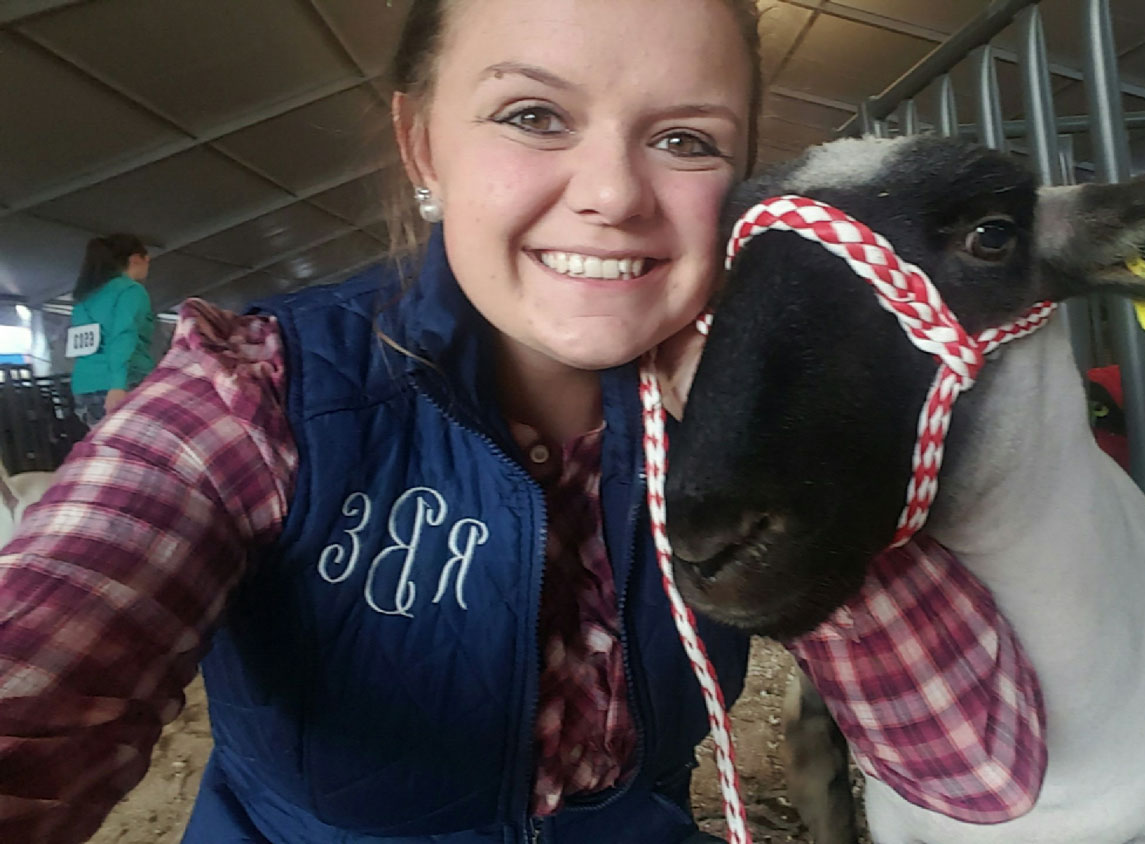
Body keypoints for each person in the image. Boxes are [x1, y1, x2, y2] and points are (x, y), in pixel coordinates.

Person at [0, 0, 761, 841]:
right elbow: (44, 664)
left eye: (687, 140)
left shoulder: (757, 414)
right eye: (534, 116)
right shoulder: (259, 395)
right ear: (423, 145)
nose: (614, 194)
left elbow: (926, 737)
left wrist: (768, 432)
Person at [66, 233, 155, 425]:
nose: (149, 263)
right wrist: (118, 385)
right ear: (135, 259)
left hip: (84, 385)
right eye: (147, 258)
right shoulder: (131, 291)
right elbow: (124, 335)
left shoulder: (85, 296)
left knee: (105, 450)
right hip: (122, 383)